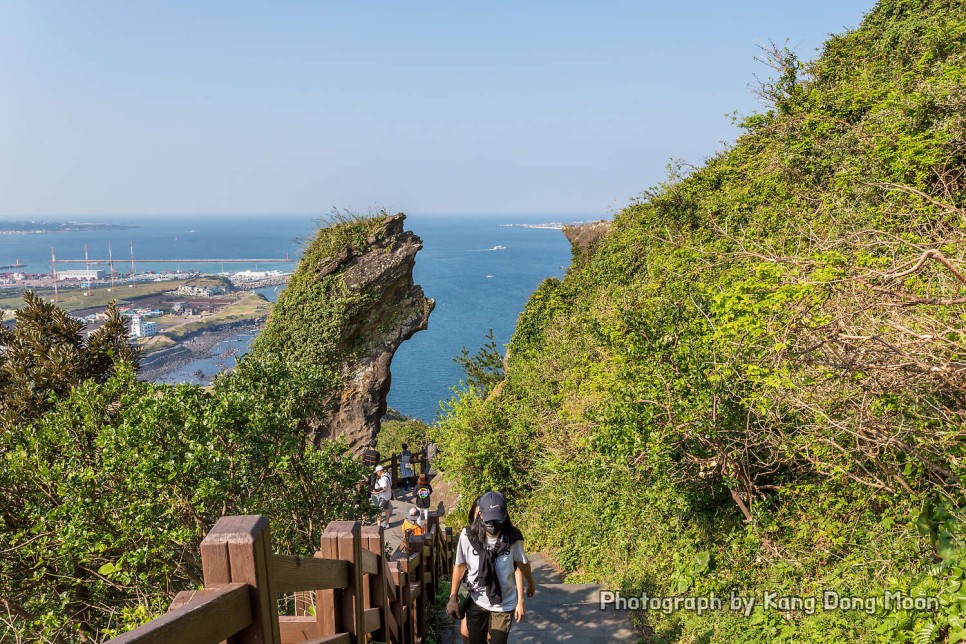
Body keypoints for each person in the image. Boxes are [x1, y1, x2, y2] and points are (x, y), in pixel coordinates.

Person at [446, 492, 534, 644]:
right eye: (489, 519)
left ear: (505, 515)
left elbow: (522, 564)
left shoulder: (513, 538)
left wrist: (530, 586)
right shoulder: (468, 536)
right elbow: (460, 565)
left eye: (497, 519)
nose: (493, 524)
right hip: (476, 600)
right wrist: (453, 597)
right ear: (480, 514)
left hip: (504, 603)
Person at [371, 464, 393, 528]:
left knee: (378, 511)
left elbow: (384, 488)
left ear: (380, 471)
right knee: (387, 510)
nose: (377, 474)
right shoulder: (387, 474)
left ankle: (378, 526)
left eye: (377, 472)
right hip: (388, 495)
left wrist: (376, 492)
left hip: (383, 497)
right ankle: (387, 523)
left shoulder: (383, 478)